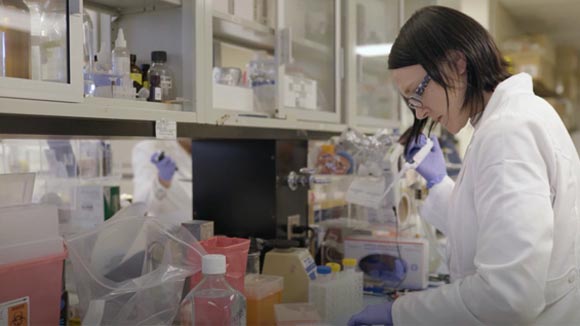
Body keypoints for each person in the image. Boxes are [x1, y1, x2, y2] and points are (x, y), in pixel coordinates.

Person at [349, 6, 580, 326]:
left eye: (417, 92)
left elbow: (507, 297)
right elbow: (488, 222)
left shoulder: (507, 134)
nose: (419, 113)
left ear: (457, 64)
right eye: (411, 103)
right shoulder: (513, 117)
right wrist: (440, 182)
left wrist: (398, 312)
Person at [131, 139, 193, 224]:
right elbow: (141, 206)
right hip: (169, 233)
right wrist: (162, 182)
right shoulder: (149, 148)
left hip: (208, 230)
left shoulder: (208, 147)